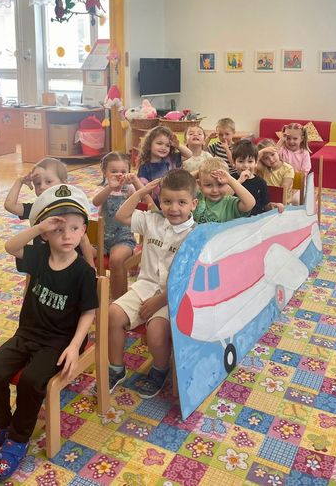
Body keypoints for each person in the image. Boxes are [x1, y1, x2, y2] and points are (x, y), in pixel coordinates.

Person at [0, 185, 98, 483]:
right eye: (58, 229)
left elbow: (88, 312)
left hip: (59, 342)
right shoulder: (38, 255)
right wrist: (38, 227)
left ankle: (18, 439)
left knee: (32, 381)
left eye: (74, 228)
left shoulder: (83, 272)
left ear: (83, 231)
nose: (67, 235)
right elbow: (10, 246)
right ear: (46, 234)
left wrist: (75, 346)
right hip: (27, 334)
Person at [108, 169, 198, 398]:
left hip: (173, 297)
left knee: (156, 331)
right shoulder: (152, 220)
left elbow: (189, 280)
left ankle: (159, 369)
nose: (173, 208)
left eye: (181, 202)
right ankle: (116, 369)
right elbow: (121, 216)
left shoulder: (195, 235)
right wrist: (141, 192)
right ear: (160, 200)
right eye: (167, 201)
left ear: (193, 204)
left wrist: (160, 301)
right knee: (113, 313)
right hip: (145, 286)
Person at [4, 157, 95, 269]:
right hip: (43, 262)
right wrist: (20, 181)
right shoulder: (37, 209)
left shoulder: (71, 211)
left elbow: (83, 240)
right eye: (38, 183)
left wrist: (91, 267)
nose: (42, 186)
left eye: (48, 181)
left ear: (64, 183)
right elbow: (10, 205)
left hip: (71, 262)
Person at [92, 152, 143, 300]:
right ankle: (91, 292)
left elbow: (143, 195)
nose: (118, 175)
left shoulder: (129, 189)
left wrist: (135, 180)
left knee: (116, 260)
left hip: (123, 238)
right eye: (113, 171)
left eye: (123, 171)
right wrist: (110, 188)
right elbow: (95, 202)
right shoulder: (103, 189)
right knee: (77, 251)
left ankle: (118, 300)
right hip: (101, 239)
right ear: (104, 172)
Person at [137, 125, 192, 206]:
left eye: (167, 145)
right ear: (149, 145)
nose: (164, 148)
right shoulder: (145, 167)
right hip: (156, 205)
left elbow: (189, 154)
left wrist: (177, 145)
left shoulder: (172, 159)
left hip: (176, 201)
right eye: (159, 143)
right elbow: (143, 191)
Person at [193, 157, 255, 224]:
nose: (214, 190)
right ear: (199, 184)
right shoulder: (197, 197)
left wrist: (230, 180)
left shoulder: (230, 204)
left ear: (228, 184)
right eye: (208, 185)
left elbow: (250, 203)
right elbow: (183, 182)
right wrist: (200, 172)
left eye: (220, 185)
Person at [232, 140, 284, 215]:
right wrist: (239, 181)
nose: (246, 165)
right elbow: (224, 196)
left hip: (256, 219)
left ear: (256, 163)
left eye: (250, 161)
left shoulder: (261, 182)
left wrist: (275, 205)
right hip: (235, 219)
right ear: (234, 163)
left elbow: (266, 206)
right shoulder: (230, 179)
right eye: (241, 161)